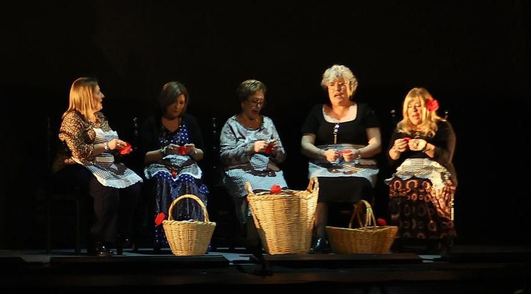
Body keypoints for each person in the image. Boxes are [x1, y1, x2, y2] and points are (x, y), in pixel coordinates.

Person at [299, 64, 383, 250]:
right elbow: (305, 144)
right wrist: (323, 153)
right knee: (319, 184)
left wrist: (358, 152)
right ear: (326, 88)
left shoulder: (363, 110)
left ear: (351, 87)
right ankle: (320, 237)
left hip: (359, 163)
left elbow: (376, 143)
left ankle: (361, 236)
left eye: (342, 84)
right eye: (332, 85)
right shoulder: (317, 111)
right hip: (324, 163)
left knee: (359, 184)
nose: (337, 88)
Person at [53, 77, 141, 255]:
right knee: (106, 190)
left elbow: (108, 143)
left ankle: (120, 234)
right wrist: (108, 146)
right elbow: (78, 152)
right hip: (73, 166)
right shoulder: (72, 119)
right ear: (87, 96)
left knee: (134, 186)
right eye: (98, 92)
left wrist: (119, 149)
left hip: (100, 164)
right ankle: (98, 239)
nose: (103, 95)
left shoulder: (100, 117)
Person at [135, 81, 207, 250]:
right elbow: (143, 156)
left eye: (181, 103)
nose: (177, 107)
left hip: (186, 165)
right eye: (174, 102)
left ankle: (187, 233)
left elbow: (202, 154)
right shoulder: (152, 122)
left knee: (187, 179)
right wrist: (164, 151)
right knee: (163, 179)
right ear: (165, 101)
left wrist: (193, 151)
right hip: (160, 164)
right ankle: (162, 234)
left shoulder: (189, 121)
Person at [218, 79, 289, 249]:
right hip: (239, 170)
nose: (257, 106)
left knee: (283, 193)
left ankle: (278, 241)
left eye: (261, 102)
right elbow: (225, 157)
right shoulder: (231, 125)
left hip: (266, 169)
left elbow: (282, 157)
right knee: (255, 195)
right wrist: (250, 148)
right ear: (243, 102)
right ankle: (254, 240)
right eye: (253, 101)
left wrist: (274, 151)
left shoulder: (268, 123)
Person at [385, 87, 456, 253]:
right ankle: (399, 235)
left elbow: (447, 157)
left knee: (422, 185)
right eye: (410, 106)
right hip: (407, 170)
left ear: (427, 108)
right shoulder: (401, 129)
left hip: (437, 171)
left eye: (417, 106)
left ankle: (434, 236)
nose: (414, 110)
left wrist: (427, 147)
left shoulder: (442, 127)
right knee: (397, 184)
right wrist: (396, 150)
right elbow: (390, 160)